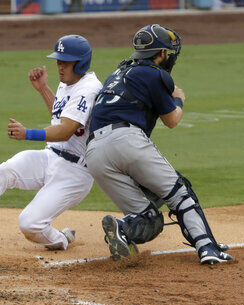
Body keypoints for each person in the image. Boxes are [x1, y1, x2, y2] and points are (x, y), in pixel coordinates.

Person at [85, 24, 234, 265]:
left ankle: (123, 228)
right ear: (162, 53)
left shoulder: (117, 73)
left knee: (148, 218)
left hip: (94, 154)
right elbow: (172, 119)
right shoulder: (155, 73)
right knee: (180, 193)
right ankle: (208, 247)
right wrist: (179, 99)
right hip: (126, 140)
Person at [0, 35, 102, 251]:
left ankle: (60, 239)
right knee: (4, 171)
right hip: (51, 156)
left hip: (75, 173)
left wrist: (28, 133)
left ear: (81, 63)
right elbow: (61, 115)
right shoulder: (68, 83)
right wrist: (43, 88)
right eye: (58, 61)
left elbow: (66, 130)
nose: (59, 66)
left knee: (29, 224)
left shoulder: (88, 88)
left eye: (65, 62)